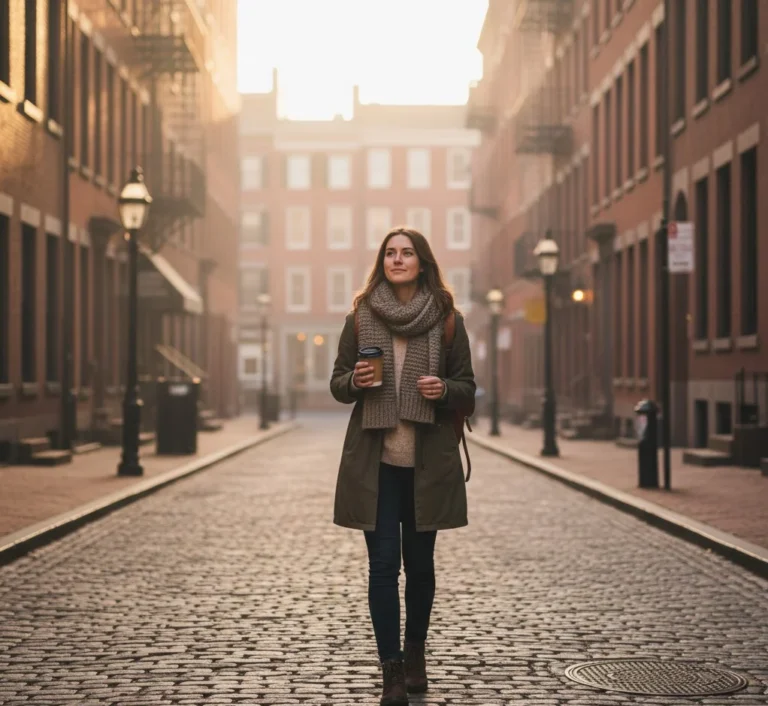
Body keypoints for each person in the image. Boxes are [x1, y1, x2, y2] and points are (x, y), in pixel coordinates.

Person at [330, 226, 476, 706]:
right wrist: (354, 379)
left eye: (406, 253)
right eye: (389, 253)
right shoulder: (360, 317)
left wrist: (444, 391)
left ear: (422, 262)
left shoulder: (447, 319)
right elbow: (337, 382)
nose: (397, 260)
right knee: (382, 566)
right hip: (376, 464)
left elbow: (468, 388)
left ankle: (416, 652)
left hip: (426, 463)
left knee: (420, 567)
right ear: (382, 261)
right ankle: (391, 670)